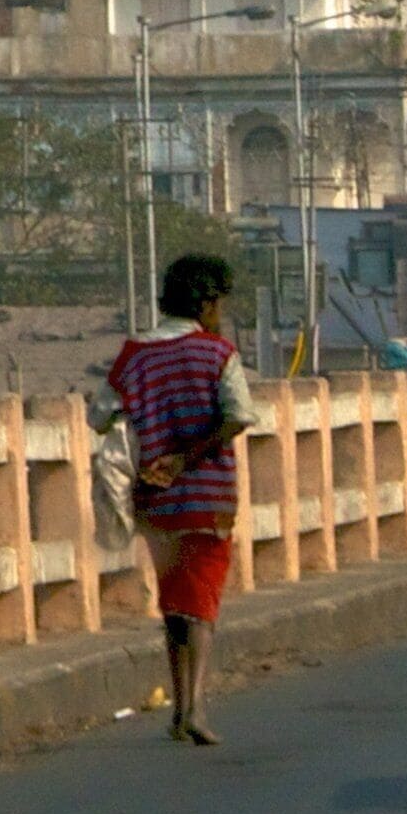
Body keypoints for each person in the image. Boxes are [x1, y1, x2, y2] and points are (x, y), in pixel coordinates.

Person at [109, 250, 262, 743]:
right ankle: (191, 709)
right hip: (207, 496)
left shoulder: (133, 354)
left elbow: (102, 416)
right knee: (202, 606)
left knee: (175, 604)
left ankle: (180, 706)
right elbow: (237, 415)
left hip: (154, 501)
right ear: (207, 303)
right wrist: (188, 456)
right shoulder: (218, 353)